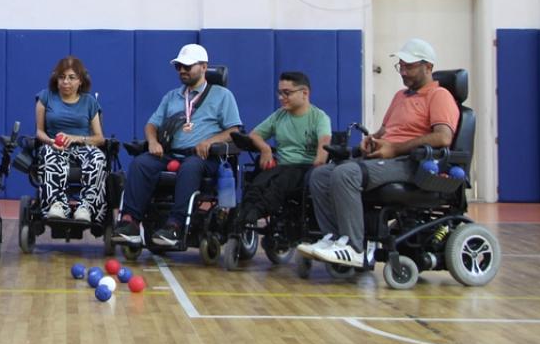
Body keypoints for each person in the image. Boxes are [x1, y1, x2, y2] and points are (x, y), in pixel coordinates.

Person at [298, 38, 458, 268]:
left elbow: (443, 137)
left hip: (410, 162)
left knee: (346, 174)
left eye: (409, 67)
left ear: (428, 67)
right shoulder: (400, 96)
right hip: (387, 158)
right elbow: (385, 132)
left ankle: (354, 247)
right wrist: (371, 140)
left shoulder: (439, 96)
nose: (403, 72)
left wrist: (394, 148)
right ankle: (334, 238)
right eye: (401, 66)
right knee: (320, 175)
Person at [112, 43, 242, 248]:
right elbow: (151, 125)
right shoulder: (172, 96)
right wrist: (153, 141)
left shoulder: (222, 96)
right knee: (140, 164)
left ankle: (175, 225)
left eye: (187, 66)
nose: (182, 70)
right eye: (178, 66)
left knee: (190, 167)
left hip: (203, 157)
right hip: (171, 153)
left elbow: (233, 131)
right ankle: (131, 222)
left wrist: (210, 141)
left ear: (204, 67)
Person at [231, 72, 331, 231]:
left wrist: (318, 166)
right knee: (258, 182)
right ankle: (243, 217)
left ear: (304, 93)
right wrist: (265, 149)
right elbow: (254, 135)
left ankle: (256, 213)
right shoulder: (279, 115)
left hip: (304, 168)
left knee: (280, 183)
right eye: (280, 93)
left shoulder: (319, 118)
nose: (281, 97)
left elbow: (324, 144)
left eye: (287, 93)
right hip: (282, 165)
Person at [34, 56, 107, 223]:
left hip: (82, 146)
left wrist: (75, 138)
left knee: (98, 157)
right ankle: (57, 205)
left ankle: (86, 207)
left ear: (80, 80)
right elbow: (39, 132)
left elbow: (99, 138)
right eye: (62, 77)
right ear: (56, 79)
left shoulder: (89, 102)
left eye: (71, 77)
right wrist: (51, 142)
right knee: (48, 154)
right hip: (55, 146)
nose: (66, 82)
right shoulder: (46, 97)